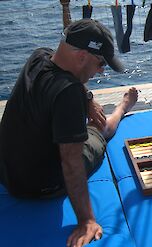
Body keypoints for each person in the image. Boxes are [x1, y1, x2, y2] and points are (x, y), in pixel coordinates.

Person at [0, 19, 138, 247]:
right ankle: (123, 107)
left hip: (8, 174)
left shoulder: (39, 56)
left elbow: (64, 77)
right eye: (101, 62)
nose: (102, 70)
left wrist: (88, 98)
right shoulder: (69, 93)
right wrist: (86, 221)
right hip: (39, 186)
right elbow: (71, 163)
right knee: (98, 128)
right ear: (82, 57)